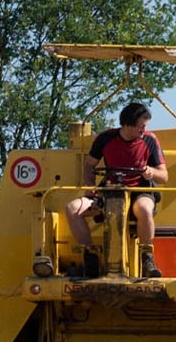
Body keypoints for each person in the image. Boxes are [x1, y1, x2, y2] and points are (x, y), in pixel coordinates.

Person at [64, 102, 168, 277]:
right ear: (127, 124)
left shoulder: (150, 140)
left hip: (139, 192)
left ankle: (147, 257)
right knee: (72, 208)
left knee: (144, 208)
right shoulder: (106, 139)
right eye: (140, 127)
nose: (144, 130)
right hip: (109, 192)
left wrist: (151, 172)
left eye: (145, 127)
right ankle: (91, 256)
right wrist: (90, 188)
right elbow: (89, 164)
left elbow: (164, 176)